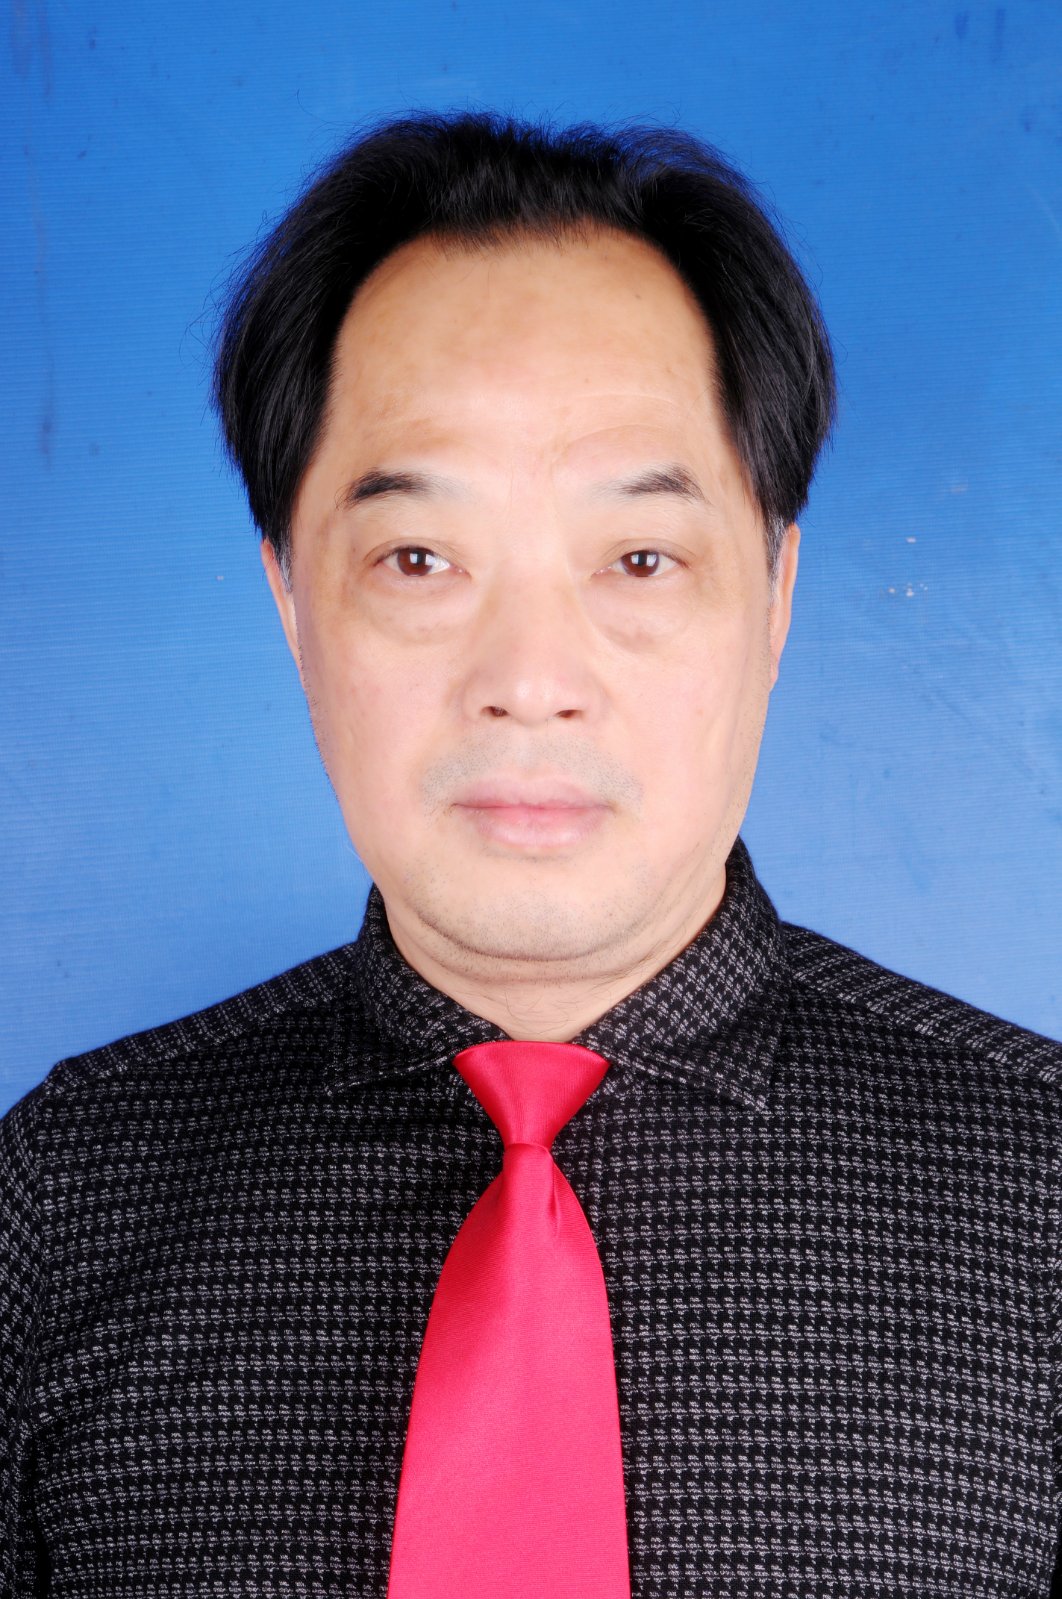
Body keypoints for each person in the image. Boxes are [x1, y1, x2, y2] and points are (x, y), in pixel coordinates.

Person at [1, 112, 1059, 1599]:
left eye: (639, 559)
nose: (530, 680)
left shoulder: (1041, 1194)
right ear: (293, 603)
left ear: (774, 594)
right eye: (418, 560)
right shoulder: (59, 1200)